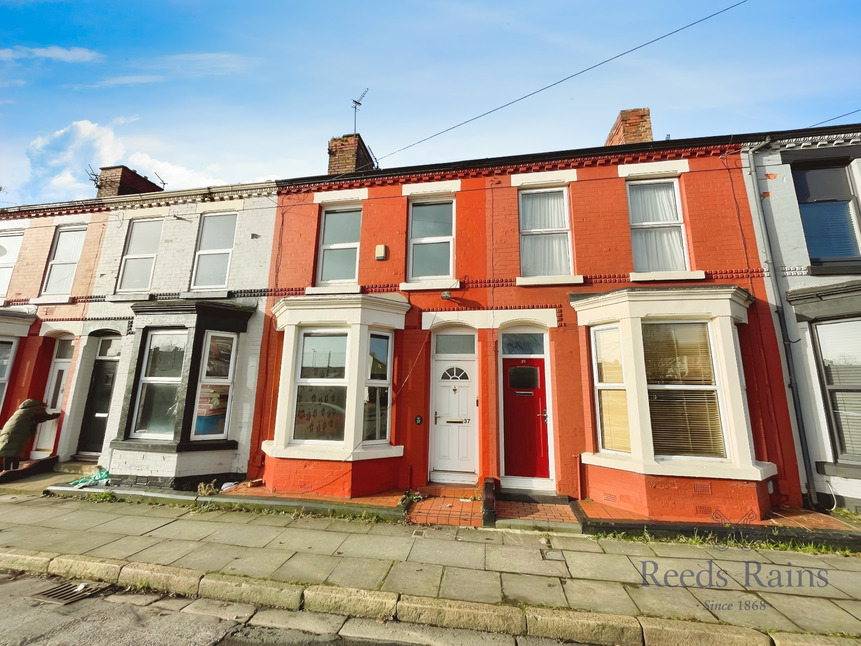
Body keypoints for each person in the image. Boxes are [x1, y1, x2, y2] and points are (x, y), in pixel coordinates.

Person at [0, 399, 60, 471]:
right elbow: (43, 416)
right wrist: (56, 415)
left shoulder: (22, 410)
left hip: (8, 431)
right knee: (16, 451)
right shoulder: (36, 408)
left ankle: (6, 470)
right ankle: (13, 471)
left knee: (8, 452)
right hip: (18, 432)